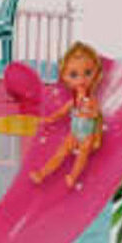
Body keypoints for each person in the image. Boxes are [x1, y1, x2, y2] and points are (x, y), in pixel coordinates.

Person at [32, 42, 105, 191]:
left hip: (88, 135)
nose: (81, 80)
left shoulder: (91, 101)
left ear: (96, 74)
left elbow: (97, 115)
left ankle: (73, 176)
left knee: (83, 154)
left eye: (88, 73)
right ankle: (42, 173)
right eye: (74, 75)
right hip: (75, 133)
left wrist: (89, 114)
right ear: (65, 78)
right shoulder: (73, 101)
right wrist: (50, 119)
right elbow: (62, 112)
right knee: (61, 152)